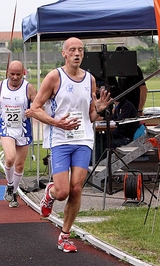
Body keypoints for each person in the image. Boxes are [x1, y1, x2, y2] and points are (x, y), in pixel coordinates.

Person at [27, 37, 111, 253]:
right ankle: (50, 193)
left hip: (83, 139)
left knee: (76, 189)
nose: (77, 53)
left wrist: (99, 109)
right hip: (60, 140)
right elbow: (36, 108)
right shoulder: (55, 77)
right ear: (64, 53)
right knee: (62, 191)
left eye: (80, 50)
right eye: (72, 50)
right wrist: (57, 123)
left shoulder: (90, 79)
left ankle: (64, 235)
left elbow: (91, 115)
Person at [0, 60, 37, 208]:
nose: (15, 77)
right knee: (10, 158)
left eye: (18, 74)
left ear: (23, 73)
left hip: (23, 129)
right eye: (12, 74)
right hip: (7, 128)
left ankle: (14, 192)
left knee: (20, 164)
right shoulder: (1, 85)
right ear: (7, 73)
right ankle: (10, 185)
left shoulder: (28, 88)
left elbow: (38, 104)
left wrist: (33, 110)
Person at [113, 46, 148, 116]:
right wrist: (117, 106)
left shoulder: (135, 69)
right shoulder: (119, 70)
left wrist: (140, 109)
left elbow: (143, 89)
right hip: (123, 107)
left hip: (134, 107)